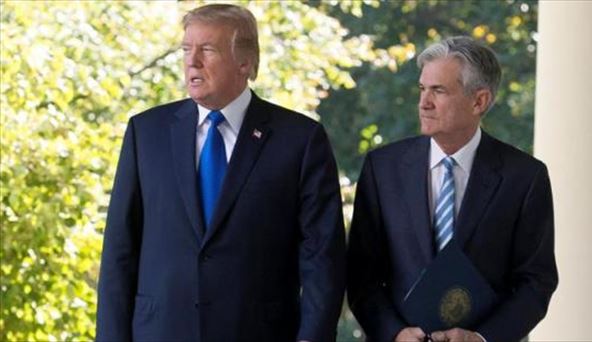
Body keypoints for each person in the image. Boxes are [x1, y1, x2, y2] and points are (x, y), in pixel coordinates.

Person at [96, 4, 345, 341]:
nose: (191, 61)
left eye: (207, 50)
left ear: (245, 62)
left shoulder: (300, 139)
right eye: (186, 49)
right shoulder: (146, 132)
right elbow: (119, 251)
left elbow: (322, 260)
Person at [346, 36, 558, 342]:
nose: (424, 102)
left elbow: (536, 281)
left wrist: (482, 338)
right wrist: (394, 334)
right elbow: (361, 273)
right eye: (422, 89)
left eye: (438, 91)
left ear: (479, 101)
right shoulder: (382, 169)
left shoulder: (524, 177)